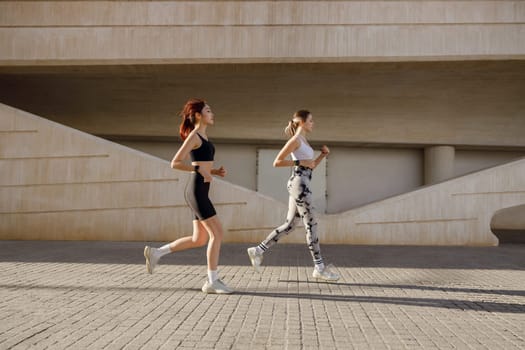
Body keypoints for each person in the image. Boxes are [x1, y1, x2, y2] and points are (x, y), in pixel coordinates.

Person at [144, 98, 233, 294]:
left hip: (200, 190)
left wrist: (214, 171)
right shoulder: (194, 136)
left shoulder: (204, 137)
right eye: (208, 110)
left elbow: (202, 165)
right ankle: (212, 281)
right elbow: (175, 162)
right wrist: (198, 169)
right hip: (197, 191)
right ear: (199, 115)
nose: (212, 113)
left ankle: (156, 253)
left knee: (198, 239)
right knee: (217, 234)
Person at [247, 110, 340, 281]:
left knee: (290, 225)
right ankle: (319, 267)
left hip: (301, 183)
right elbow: (277, 162)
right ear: (302, 122)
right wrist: (298, 161)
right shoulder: (295, 140)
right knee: (311, 224)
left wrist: (322, 155)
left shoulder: (304, 141)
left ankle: (258, 250)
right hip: (300, 185)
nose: (313, 123)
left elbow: (310, 166)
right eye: (311, 120)